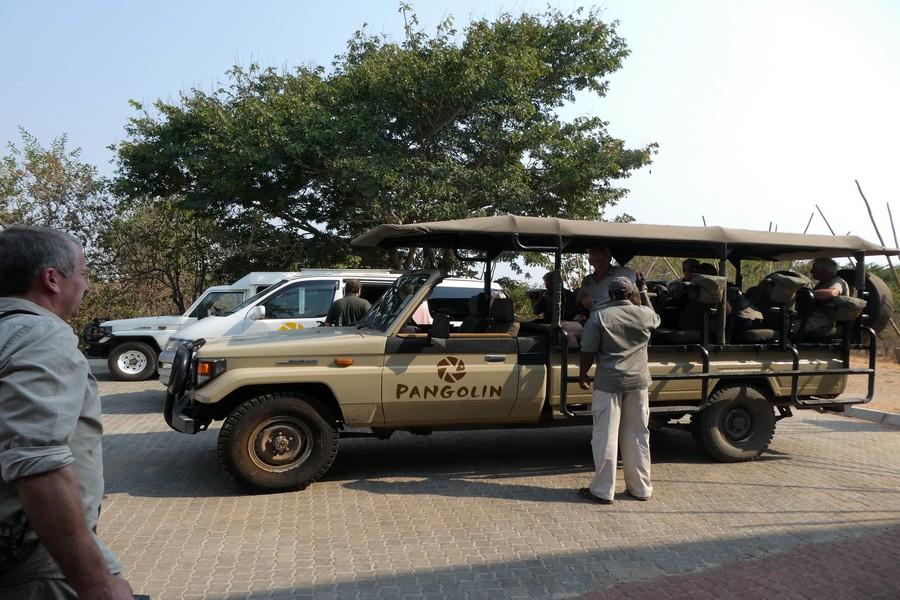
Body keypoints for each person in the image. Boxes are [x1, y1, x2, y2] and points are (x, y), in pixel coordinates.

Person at [0, 226, 133, 599]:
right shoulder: (40, 336)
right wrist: (96, 582)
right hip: (37, 563)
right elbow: (37, 463)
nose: (86, 285)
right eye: (84, 274)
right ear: (52, 279)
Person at [578, 275, 660, 504]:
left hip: (608, 383)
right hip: (638, 383)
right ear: (629, 293)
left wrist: (583, 374)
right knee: (638, 435)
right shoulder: (644, 314)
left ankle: (603, 491)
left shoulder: (599, 317)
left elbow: (587, 351)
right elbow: (655, 317)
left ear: (610, 295)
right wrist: (644, 292)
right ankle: (641, 489)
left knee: (606, 436)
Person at [575, 247, 637, 318]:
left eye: (603, 259)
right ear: (590, 262)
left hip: (617, 317)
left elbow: (638, 291)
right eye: (597, 260)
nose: (601, 263)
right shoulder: (586, 281)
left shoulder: (624, 272)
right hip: (592, 318)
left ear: (610, 259)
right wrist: (583, 298)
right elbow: (577, 302)